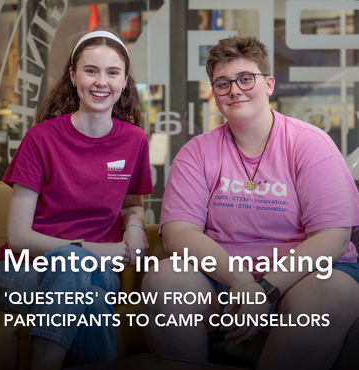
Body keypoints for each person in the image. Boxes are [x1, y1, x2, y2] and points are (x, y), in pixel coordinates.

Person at [141, 36, 359, 370]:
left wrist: (266, 289)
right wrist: (241, 282)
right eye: (223, 83)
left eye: (246, 79)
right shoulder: (196, 152)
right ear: (214, 95)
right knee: (165, 278)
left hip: (305, 277)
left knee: (329, 293)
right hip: (223, 278)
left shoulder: (310, 144)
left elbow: (333, 236)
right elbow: (178, 232)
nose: (235, 90)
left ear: (268, 84)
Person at [0, 30, 153, 369]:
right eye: (90, 70)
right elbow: (18, 238)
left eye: (112, 72)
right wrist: (103, 252)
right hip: (23, 276)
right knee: (81, 283)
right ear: (72, 75)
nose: (101, 81)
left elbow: (132, 203)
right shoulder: (41, 139)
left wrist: (135, 224)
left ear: (124, 81)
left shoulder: (134, 141)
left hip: (97, 274)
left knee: (81, 279)